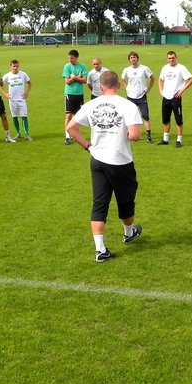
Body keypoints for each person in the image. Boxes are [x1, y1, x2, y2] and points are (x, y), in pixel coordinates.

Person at [65, 71, 143, 262]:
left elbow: (71, 128)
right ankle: (128, 232)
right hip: (119, 161)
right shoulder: (128, 105)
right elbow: (134, 135)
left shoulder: (90, 105)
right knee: (126, 201)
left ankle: (100, 250)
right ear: (120, 85)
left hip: (97, 159)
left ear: (100, 87)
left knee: (99, 203)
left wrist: (88, 146)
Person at [158, 50, 192, 147]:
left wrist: (182, 90)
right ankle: (165, 139)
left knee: (178, 120)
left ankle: (179, 140)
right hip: (166, 97)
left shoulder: (181, 68)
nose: (171, 60)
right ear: (167, 59)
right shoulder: (165, 68)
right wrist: (161, 91)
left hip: (176, 97)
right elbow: (160, 79)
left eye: (173, 58)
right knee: (165, 119)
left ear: (176, 58)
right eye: (169, 58)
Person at [120, 51, 154, 144]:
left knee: (145, 115)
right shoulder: (127, 69)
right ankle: (128, 134)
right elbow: (122, 78)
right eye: (131, 57)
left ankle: (149, 136)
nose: (133, 59)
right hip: (131, 96)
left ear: (137, 58)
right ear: (129, 59)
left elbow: (152, 78)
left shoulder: (144, 68)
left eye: (134, 57)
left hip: (142, 96)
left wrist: (149, 88)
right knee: (129, 116)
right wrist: (127, 87)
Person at [2, 59, 33, 141]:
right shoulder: (7, 76)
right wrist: (5, 93)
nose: (15, 68)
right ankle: (18, 133)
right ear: (10, 66)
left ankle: (27, 134)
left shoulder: (23, 74)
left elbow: (30, 83)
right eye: (14, 66)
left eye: (17, 66)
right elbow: (0, 84)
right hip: (12, 100)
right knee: (14, 116)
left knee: (24, 116)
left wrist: (27, 93)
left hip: (21, 99)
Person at [62, 49, 88, 145]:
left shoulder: (82, 66)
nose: (70, 60)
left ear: (76, 57)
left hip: (79, 94)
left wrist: (74, 77)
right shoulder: (67, 66)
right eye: (69, 58)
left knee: (78, 116)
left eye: (72, 58)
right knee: (68, 115)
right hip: (69, 93)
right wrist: (78, 78)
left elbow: (85, 80)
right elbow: (67, 81)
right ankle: (67, 136)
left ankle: (75, 134)